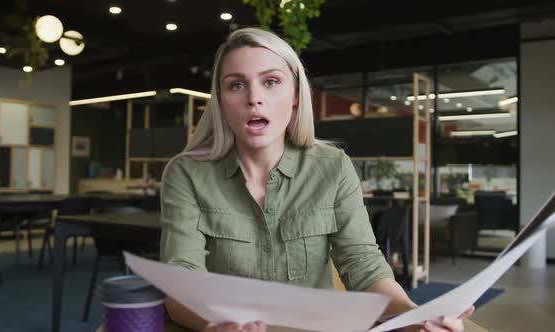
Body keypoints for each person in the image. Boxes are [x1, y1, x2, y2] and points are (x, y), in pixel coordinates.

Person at [159, 28, 474, 332]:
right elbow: (181, 282)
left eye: (271, 82)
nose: (254, 98)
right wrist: (217, 325)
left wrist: (414, 318)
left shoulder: (333, 167)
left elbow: (363, 265)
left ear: (296, 95)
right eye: (236, 85)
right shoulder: (186, 174)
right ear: (220, 101)